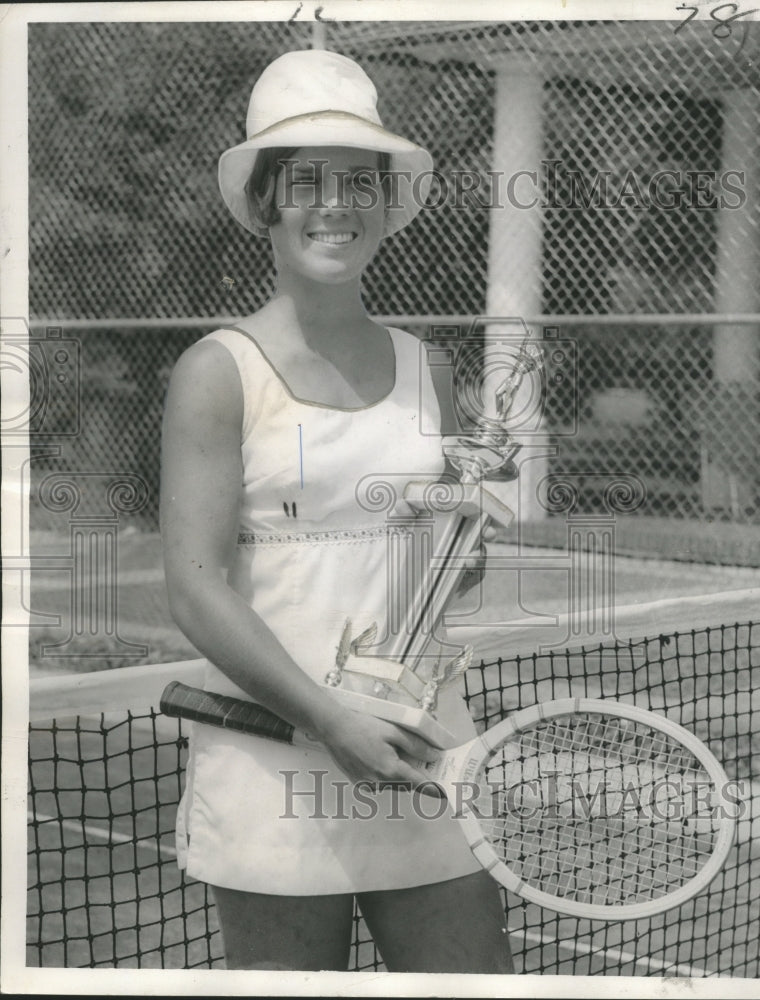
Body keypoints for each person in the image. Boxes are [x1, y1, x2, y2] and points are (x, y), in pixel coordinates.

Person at [160, 48, 513, 974]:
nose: (335, 205)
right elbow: (197, 592)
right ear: (267, 203)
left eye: (359, 181)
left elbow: (426, 571)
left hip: (420, 749)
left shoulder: (427, 365)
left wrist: (456, 550)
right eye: (306, 181)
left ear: (386, 204)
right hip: (271, 762)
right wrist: (328, 719)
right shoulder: (215, 371)